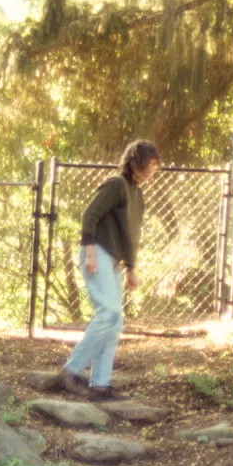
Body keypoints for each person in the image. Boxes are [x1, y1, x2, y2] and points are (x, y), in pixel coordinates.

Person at [58, 140, 162, 401]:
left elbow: (130, 235)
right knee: (109, 313)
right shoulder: (116, 185)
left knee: (115, 323)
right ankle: (70, 372)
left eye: (154, 167)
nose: (152, 171)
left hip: (114, 260)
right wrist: (89, 252)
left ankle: (100, 385)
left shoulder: (137, 193)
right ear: (135, 162)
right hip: (97, 252)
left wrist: (131, 269)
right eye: (148, 165)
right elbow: (89, 216)